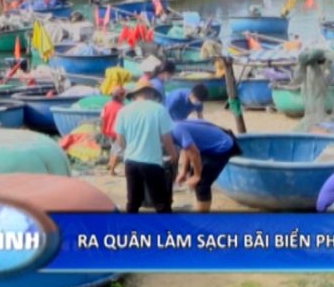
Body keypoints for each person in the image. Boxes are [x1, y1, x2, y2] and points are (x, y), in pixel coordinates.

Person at [113, 81, 179, 213]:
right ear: (150, 93)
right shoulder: (159, 109)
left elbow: (119, 140)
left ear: (135, 95)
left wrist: (127, 151)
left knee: (133, 200)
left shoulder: (123, 111)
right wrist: (173, 155)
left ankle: (129, 230)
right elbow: (166, 138)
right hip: (152, 162)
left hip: (131, 161)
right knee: (161, 202)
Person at [170, 120, 241, 212]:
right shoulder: (171, 127)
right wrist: (184, 170)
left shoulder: (176, 130)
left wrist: (197, 176)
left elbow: (194, 152)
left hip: (221, 146)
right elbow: (186, 148)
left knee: (201, 183)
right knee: (194, 176)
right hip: (211, 143)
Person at [103, 86, 127, 175]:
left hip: (108, 130)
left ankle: (110, 164)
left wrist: (104, 129)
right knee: (119, 150)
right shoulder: (122, 107)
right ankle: (112, 170)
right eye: (124, 95)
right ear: (120, 96)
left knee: (113, 148)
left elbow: (103, 118)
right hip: (117, 132)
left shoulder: (107, 104)